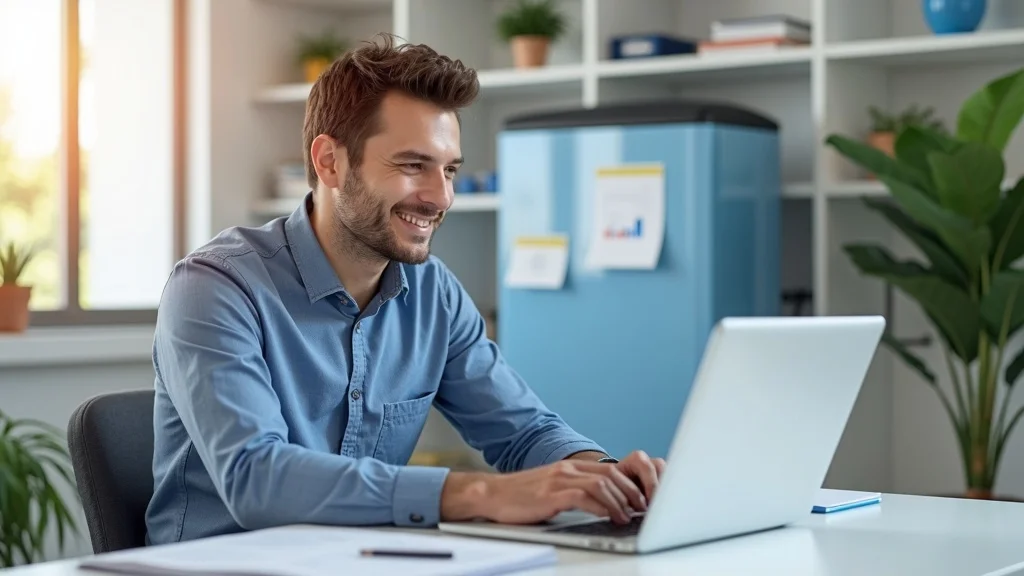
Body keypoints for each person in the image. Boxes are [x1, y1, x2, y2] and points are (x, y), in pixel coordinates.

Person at [145, 33, 665, 545]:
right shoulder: (216, 288)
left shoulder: (432, 292)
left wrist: (605, 476)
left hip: (361, 561)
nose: (441, 197)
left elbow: (525, 432)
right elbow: (257, 479)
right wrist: (483, 493)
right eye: (413, 165)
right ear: (330, 162)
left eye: (450, 170)